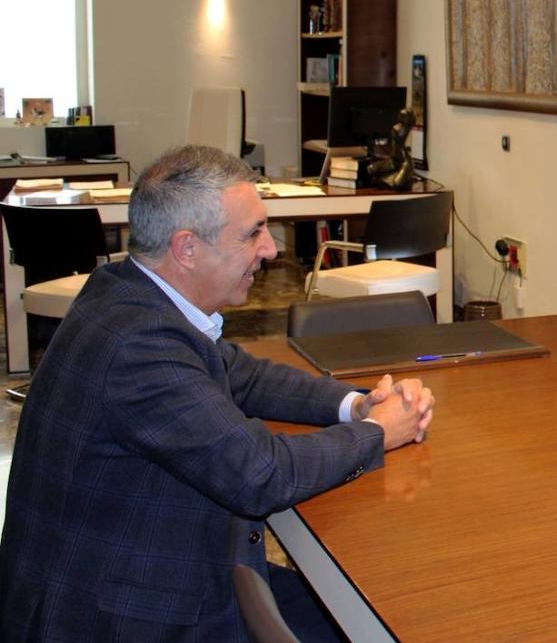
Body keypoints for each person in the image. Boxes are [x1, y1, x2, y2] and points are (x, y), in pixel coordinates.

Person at [0, 145, 435, 642]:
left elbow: (240, 374)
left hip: (137, 565)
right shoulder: (140, 345)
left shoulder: (124, 290)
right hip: (113, 614)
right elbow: (260, 473)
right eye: (252, 234)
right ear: (187, 248)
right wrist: (378, 432)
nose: (271, 250)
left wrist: (354, 403)